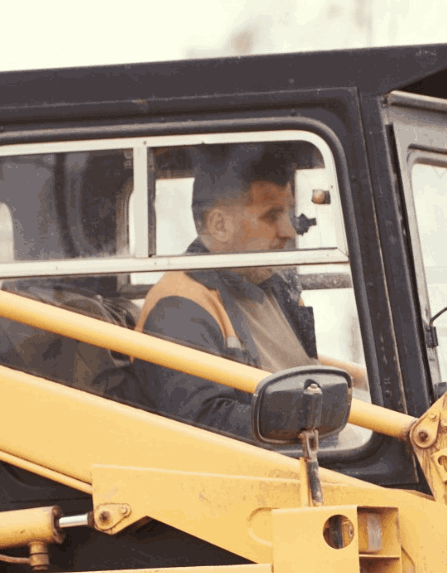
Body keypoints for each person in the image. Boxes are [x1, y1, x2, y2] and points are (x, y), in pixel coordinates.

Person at [132, 144, 322, 437]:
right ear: (219, 225)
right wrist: (308, 416)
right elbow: (206, 425)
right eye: (272, 216)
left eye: (289, 213)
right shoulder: (179, 308)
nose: (288, 231)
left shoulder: (275, 285)